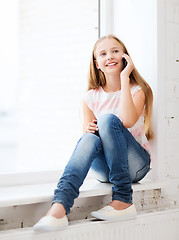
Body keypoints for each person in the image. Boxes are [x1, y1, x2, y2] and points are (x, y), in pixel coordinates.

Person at [33, 35, 153, 232]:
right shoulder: (90, 97)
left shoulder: (137, 90)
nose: (110, 56)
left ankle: (124, 200)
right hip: (106, 170)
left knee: (107, 119)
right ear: (97, 64)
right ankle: (60, 206)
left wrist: (124, 78)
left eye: (115, 51)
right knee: (89, 136)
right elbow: (88, 144)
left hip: (136, 165)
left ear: (125, 57)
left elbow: (129, 121)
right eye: (103, 53)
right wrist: (88, 130)